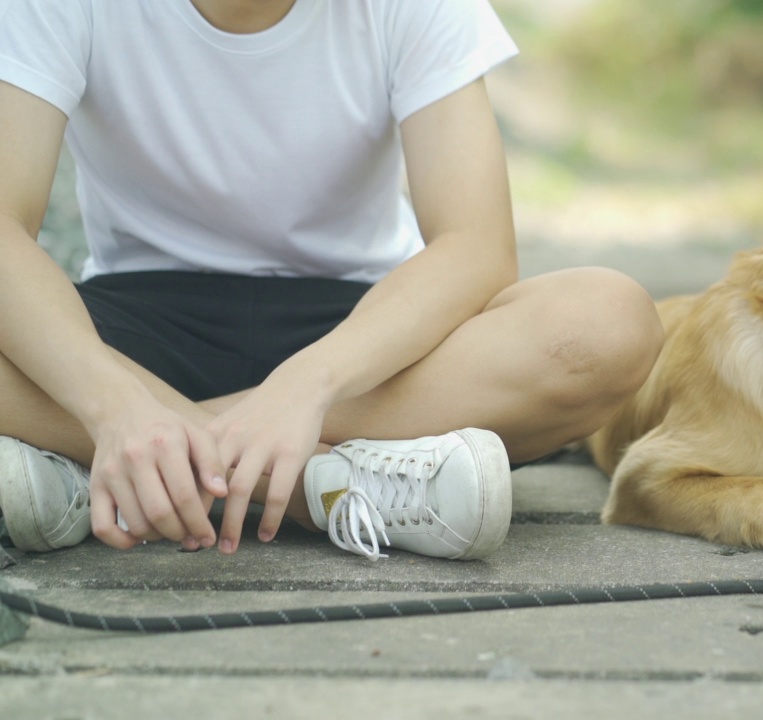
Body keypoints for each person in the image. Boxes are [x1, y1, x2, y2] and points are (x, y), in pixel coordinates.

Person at [0, 0, 664, 562]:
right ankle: (334, 487)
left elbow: (476, 246)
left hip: (364, 344)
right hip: (136, 332)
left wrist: (307, 384)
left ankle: (108, 472)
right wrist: (113, 405)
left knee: (608, 320)